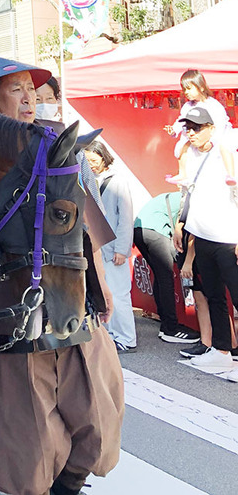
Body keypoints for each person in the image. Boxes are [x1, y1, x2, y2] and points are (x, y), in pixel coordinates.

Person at [0, 57, 123, 495]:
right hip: (6, 308)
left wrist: (100, 285)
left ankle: (70, 485)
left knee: (97, 413)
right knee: (30, 432)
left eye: (32, 90)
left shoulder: (56, 140)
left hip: (71, 298)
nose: (28, 98)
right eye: (16, 89)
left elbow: (82, 224)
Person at [171, 105, 238, 379]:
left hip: (227, 239)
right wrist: (181, 226)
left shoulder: (225, 152)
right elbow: (190, 193)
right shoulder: (191, 154)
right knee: (214, 297)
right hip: (203, 237)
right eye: (189, 128)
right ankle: (221, 352)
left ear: (212, 127)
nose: (192, 133)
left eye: (197, 128)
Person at [84, 139, 137, 352]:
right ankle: (113, 335)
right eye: (87, 160)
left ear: (104, 157)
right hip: (100, 249)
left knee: (119, 294)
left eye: (94, 160)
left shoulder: (117, 181)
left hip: (114, 249)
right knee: (107, 293)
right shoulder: (89, 180)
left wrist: (122, 249)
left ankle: (126, 337)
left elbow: (125, 217)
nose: (92, 164)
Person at [133, 192, 200, 343]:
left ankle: (166, 322)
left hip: (139, 229)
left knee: (160, 276)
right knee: (165, 278)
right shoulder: (194, 198)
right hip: (155, 231)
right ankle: (171, 328)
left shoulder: (179, 195)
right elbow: (190, 231)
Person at [165, 69, 235, 185]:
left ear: (201, 87)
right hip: (200, 137)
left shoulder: (213, 105)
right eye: (184, 90)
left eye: (189, 88)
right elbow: (181, 121)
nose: (186, 92)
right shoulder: (187, 106)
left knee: (224, 145)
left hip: (218, 134)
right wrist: (173, 130)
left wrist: (212, 141)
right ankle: (183, 173)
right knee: (182, 146)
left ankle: (230, 174)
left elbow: (220, 124)